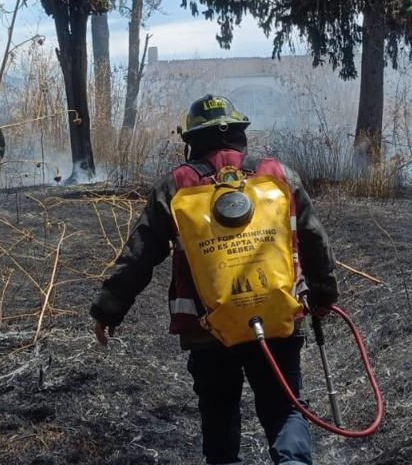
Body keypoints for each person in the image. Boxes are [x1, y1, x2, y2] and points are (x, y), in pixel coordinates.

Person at [90, 94, 339, 465]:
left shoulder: (175, 186)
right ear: (240, 135)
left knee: (219, 415)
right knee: (285, 407)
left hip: (207, 328)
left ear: (191, 141)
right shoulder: (278, 175)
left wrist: (108, 309)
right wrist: (322, 295)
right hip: (276, 318)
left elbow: (141, 254)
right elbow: (313, 239)